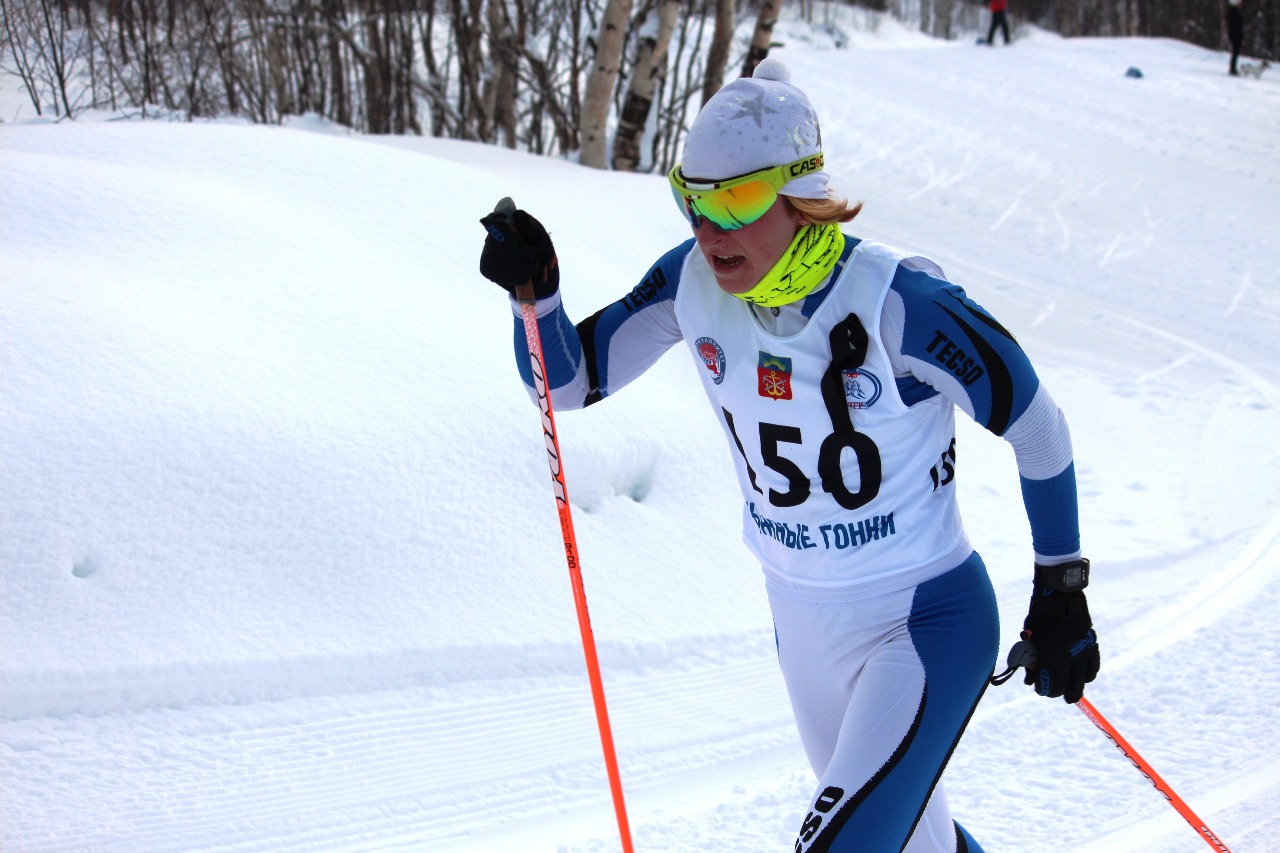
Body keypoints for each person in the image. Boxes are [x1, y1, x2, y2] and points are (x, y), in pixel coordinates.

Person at [478, 58, 1099, 853]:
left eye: (734, 202)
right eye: (691, 201)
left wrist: (1061, 589)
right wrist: (538, 294)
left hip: (924, 619)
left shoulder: (900, 304)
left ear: (802, 195)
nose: (709, 230)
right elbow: (567, 382)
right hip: (801, 621)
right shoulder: (692, 282)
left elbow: (1038, 426)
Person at [1226, 0, 1245, 75]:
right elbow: (1237, 27)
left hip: (1234, 34)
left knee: (1235, 52)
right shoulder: (1234, 13)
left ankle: (1233, 68)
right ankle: (1233, 69)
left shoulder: (1233, 12)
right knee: (1235, 52)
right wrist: (1241, 36)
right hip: (1235, 35)